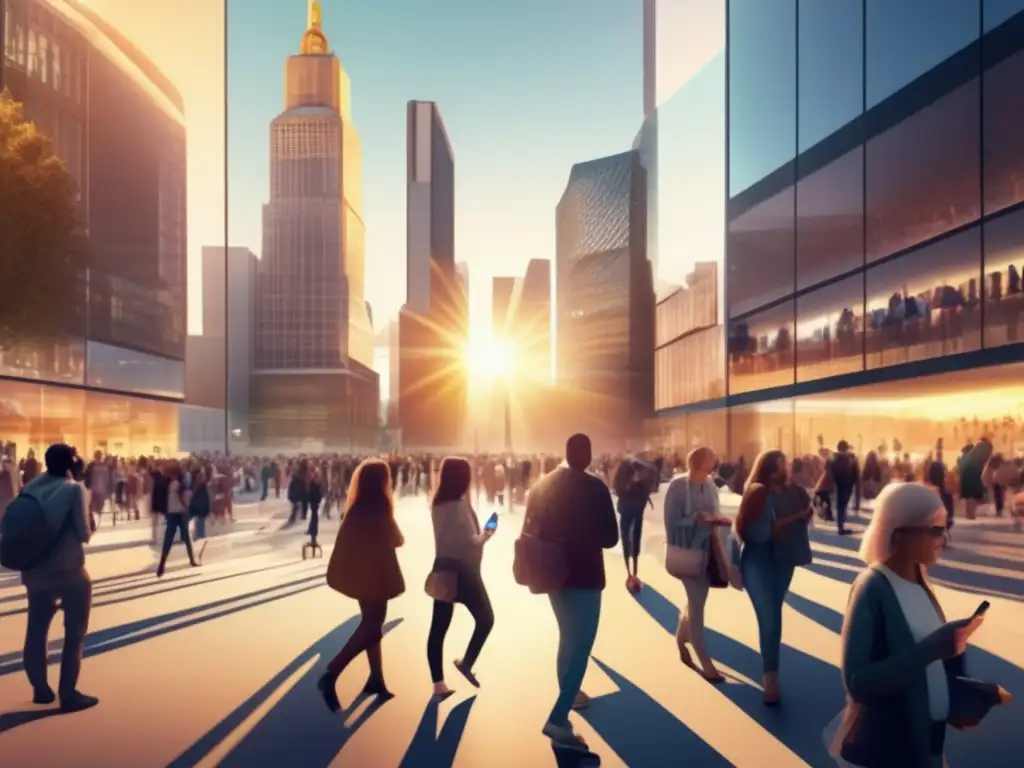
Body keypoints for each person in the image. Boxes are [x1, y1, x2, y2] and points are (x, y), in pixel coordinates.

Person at [833, 482, 1011, 767]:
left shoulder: (919, 580)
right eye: (935, 530)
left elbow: (929, 667)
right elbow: (858, 682)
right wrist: (931, 648)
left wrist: (959, 700)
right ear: (900, 533)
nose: (944, 538)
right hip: (886, 752)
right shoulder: (871, 588)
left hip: (926, 747)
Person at [526, 433, 618, 753]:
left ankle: (570, 694)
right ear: (589, 456)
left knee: (567, 637)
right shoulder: (596, 488)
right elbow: (610, 538)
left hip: (552, 572)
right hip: (586, 574)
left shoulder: (545, 485)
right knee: (582, 643)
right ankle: (558, 716)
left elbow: (531, 527)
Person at [319, 459, 405, 712]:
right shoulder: (380, 509)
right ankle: (332, 672)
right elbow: (397, 540)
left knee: (372, 626)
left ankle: (376, 679)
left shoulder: (355, 509)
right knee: (371, 627)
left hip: (361, 578)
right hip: (378, 578)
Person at [20, 444, 98, 711]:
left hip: (34, 569)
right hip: (68, 570)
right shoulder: (74, 489)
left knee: (36, 630)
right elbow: (84, 533)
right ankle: (69, 693)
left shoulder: (31, 486)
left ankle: (40, 689)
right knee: (74, 634)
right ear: (70, 464)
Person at [733, 449, 813, 705]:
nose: (785, 469)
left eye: (786, 465)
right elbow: (760, 531)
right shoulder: (758, 491)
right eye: (781, 465)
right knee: (769, 617)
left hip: (784, 559)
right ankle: (771, 677)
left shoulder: (791, 491)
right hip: (759, 560)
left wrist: (801, 507)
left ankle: (770, 668)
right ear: (769, 468)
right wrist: (795, 518)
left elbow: (807, 511)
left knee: (774, 614)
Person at [426, 456, 496, 697]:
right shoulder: (458, 506)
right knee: (486, 619)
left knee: (438, 629)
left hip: (442, 569)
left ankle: (438, 683)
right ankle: (466, 663)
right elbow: (469, 543)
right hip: (464, 572)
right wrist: (487, 533)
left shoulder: (437, 503)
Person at [662, 446, 732, 682]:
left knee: (697, 601)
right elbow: (671, 522)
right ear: (701, 463)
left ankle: (682, 636)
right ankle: (705, 663)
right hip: (687, 552)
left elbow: (715, 512)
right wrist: (694, 519)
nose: (716, 462)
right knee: (697, 606)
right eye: (712, 459)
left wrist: (716, 521)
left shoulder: (711, 485)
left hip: (708, 553)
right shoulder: (679, 486)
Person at [613, 457, 654, 592]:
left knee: (631, 538)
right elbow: (619, 489)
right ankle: (632, 573)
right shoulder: (629, 473)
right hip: (631, 508)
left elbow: (618, 488)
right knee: (631, 538)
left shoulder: (630, 472)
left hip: (632, 508)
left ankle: (632, 573)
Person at [156, 462, 199, 578]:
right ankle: (191, 560)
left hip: (172, 514)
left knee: (169, 540)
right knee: (185, 538)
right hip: (180, 513)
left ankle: (162, 564)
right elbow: (188, 496)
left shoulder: (168, 484)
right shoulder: (179, 484)